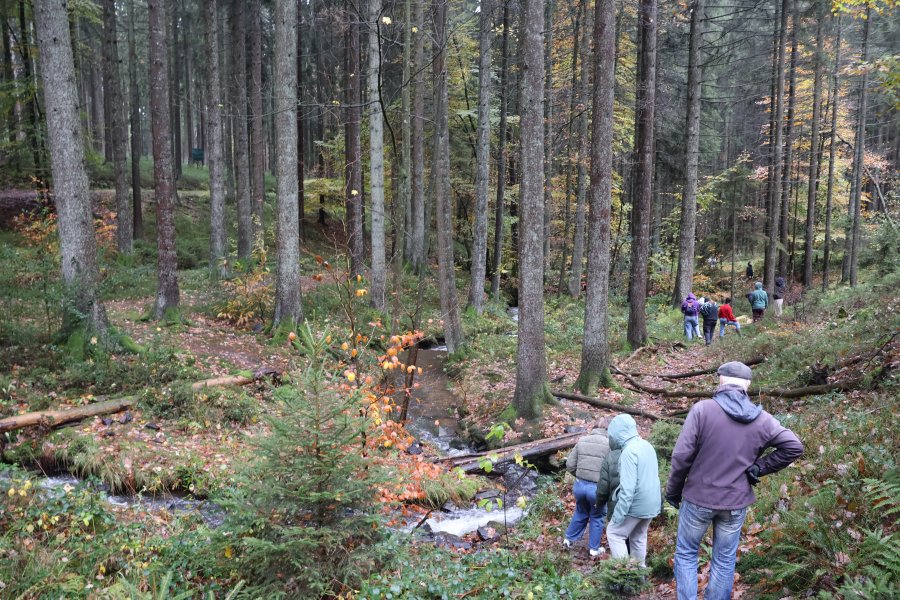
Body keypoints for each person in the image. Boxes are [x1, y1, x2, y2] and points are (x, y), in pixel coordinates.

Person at [665, 362, 804, 600]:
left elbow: (681, 455)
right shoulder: (763, 419)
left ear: (721, 380)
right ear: (747, 385)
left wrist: (673, 491)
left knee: (687, 554)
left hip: (698, 498)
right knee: (724, 560)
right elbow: (794, 446)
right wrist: (760, 467)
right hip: (735, 502)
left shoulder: (703, 410)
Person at [605, 414, 661, 567]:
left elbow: (627, 490)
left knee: (614, 533)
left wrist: (618, 515)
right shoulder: (647, 445)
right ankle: (640, 575)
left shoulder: (629, 452)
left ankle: (625, 574)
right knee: (638, 538)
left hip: (636, 504)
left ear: (617, 434)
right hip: (652, 504)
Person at [563, 417, 611, 558]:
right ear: (608, 429)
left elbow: (570, 464)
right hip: (597, 489)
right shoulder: (610, 445)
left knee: (580, 512)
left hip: (579, 485)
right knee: (597, 516)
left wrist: (579, 475)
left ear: (594, 427)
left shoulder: (582, 440)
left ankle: (568, 540)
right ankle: (593, 549)